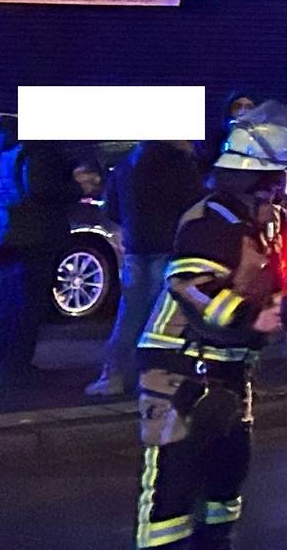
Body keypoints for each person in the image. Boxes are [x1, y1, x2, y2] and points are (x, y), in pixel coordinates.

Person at [135, 108, 287, 550]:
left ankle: (216, 543)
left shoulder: (259, 221)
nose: (281, 188)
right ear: (253, 179)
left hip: (228, 366)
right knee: (173, 479)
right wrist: (248, 317)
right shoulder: (211, 220)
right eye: (276, 178)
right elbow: (190, 284)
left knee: (227, 474)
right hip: (179, 364)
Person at [93, 134, 207, 396]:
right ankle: (152, 378)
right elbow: (195, 206)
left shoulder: (127, 163)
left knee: (129, 315)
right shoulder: (181, 165)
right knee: (162, 320)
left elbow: (112, 210)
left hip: (136, 249)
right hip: (169, 248)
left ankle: (113, 375)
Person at [0, 112, 81, 390]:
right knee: (30, 305)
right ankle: (17, 367)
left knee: (7, 303)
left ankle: (6, 362)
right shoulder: (37, 148)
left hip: (6, 232)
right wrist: (75, 187)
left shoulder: (4, 148)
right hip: (36, 235)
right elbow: (42, 188)